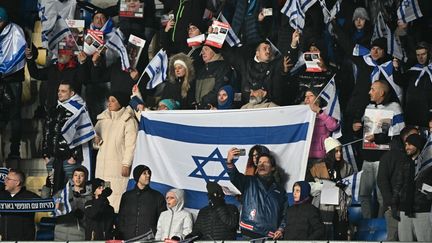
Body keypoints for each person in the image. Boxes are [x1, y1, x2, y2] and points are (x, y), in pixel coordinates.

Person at [353, 80, 405, 218]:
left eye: (373, 89)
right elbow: (363, 132)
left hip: (383, 159)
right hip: (367, 158)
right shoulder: (368, 107)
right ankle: (367, 223)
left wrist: (377, 137)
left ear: (382, 92)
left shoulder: (394, 108)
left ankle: (382, 224)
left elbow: (398, 134)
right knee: (363, 194)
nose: (369, 92)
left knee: (383, 195)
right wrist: (356, 128)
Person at [42, 80, 95, 194]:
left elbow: (81, 134)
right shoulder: (54, 108)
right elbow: (47, 131)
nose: (59, 93)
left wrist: (74, 156)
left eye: (63, 91)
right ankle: (56, 212)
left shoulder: (79, 109)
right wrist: (46, 154)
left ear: (72, 93)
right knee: (53, 189)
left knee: (72, 190)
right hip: (53, 157)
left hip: (68, 159)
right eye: (59, 91)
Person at [226, 149, 286, 239]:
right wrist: (229, 161)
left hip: (269, 237)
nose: (262, 164)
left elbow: (284, 213)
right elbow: (234, 177)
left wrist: (281, 229)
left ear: (273, 167)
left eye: (266, 162)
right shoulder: (248, 181)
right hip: (249, 233)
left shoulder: (280, 190)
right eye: (260, 162)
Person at [94, 92, 138, 213]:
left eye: (113, 100)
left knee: (116, 198)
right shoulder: (102, 120)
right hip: (102, 165)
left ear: (121, 102)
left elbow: (131, 145)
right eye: (109, 100)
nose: (110, 103)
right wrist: (96, 140)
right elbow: (97, 144)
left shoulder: (128, 121)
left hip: (117, 166)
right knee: (102, 196)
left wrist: (126, 164)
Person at [377, 125, 419, 241]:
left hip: (411, 207)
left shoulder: (415, 156)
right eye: (415, 135)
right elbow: (382, 180)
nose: (419, 138)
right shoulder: (390, 156)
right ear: (406, 137)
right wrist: (391, 204)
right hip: (394, 208)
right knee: (394, 238)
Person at [308, 137, 353, 240]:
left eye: (340, 151)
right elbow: (310, 187)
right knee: (323, 234)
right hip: (322, 207)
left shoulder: (347, 167)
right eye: (336, 151)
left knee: (340, 235)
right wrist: (325, 185)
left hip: (340, 209)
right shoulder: (318, 167)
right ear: (330, 152)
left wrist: (346, 196)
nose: (339, 154)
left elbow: (350, 187)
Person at [392, 133, 432, 242]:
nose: (407, 147)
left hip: (422, 209)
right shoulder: (404, 162)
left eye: (410, 144)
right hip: (404, 210)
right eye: (406, 144)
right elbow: (398, 184)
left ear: (417, 145)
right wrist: (394, 204)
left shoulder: (428, 165)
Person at [0, 7, 26, 161]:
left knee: (15, 116)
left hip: (12, 80)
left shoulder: (16, 31)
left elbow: (20, 53)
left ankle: (14, 150)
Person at [118, 165, 166, 240]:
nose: (148, 175)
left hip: (148, 239)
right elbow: (121, 217)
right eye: (144, 173)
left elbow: (162, 220)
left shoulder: (157, 196)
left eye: (149, 173)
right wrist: (122, 232)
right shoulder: (126, 196)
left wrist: (154, 234)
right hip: (128, 238)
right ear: (137, 176)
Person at [394, 42, 432, 130]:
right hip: (412, 113)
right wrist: (396, 68)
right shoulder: (412, 71)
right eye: (418, 55)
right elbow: (400, 81)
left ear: (429, 54)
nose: (420, 57)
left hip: (428, 114)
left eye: (423, 54)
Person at [303, 88, 339, 173]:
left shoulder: (326, 111)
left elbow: (333, 126)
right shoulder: (302, 114)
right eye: (305, 96)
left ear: (318, 97)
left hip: (320, 158)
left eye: (311, 95)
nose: (307, 98)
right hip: (304, 156)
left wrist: (319, 112)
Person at [53, 166, 93, 241]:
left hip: (78, 236)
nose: (78, 178)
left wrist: (82, 217)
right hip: (60, 234)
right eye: (75, 175)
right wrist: (47, 187)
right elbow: (48, 203)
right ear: (72, 178)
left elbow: (91, 221)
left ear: (86, 178)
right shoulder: (63, 193)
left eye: (81, 175)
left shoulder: (90, 198)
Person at [0, 169, 40, 240]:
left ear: (17, 183)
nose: (5, 181)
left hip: (24, 241)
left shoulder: (30, 197)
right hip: (5, 240)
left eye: (8, 179)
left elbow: (48, 204)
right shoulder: (2, 196)